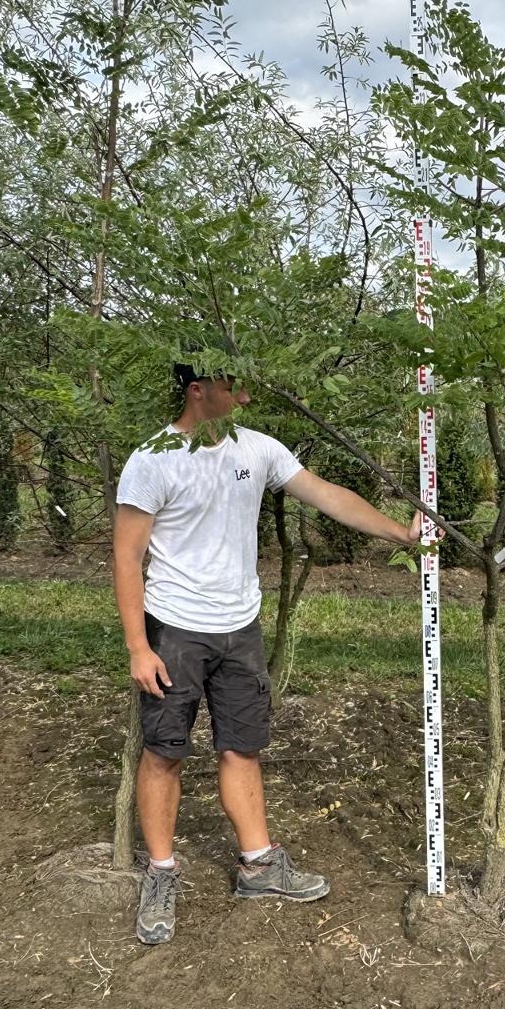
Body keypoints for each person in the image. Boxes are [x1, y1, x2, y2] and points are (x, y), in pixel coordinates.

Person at [113, 363, 425, 945]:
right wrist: (137, 646)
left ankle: (258, 865)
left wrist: (398, 534)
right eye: (233, 386)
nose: (246, 396)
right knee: (163, 753)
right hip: (175, 630)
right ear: (196, 389)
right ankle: (159, 874)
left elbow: (327, 496)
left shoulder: (257, 449)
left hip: (241, 628)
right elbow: (128, 558)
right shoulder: (152, 460)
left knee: (242, 746)